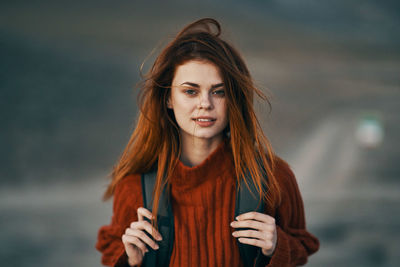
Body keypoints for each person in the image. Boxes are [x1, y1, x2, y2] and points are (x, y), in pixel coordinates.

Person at [96, 18, 319, 267]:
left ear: (233, 98)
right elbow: (111, 250)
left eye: (219, 91)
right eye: (190, 91)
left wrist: (277, 246)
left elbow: (303, 247)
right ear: (168, 98)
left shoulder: (273, 177)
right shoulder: (134, 187)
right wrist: (130, 262)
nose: (205, 103)